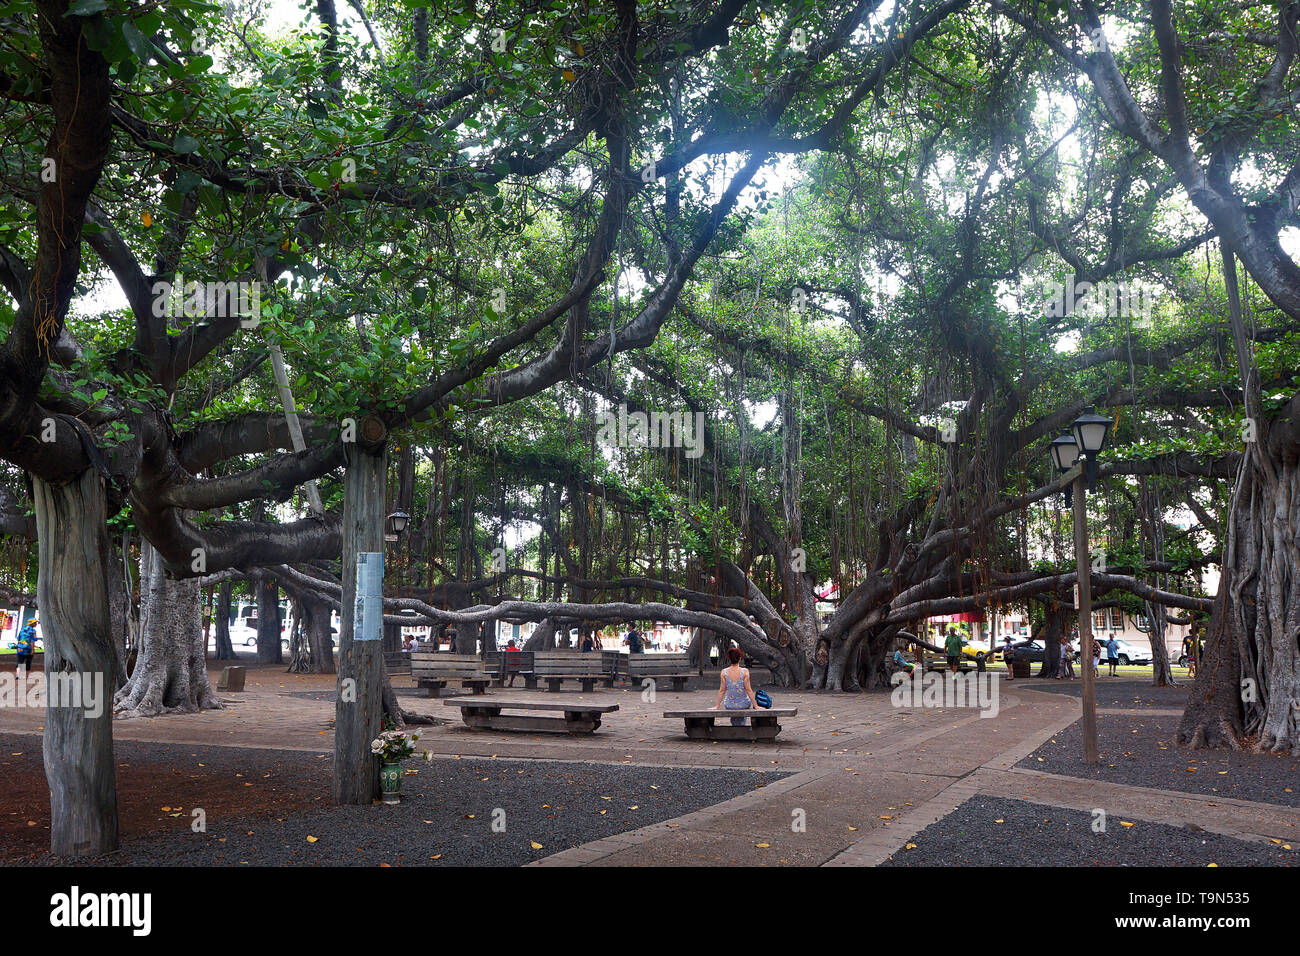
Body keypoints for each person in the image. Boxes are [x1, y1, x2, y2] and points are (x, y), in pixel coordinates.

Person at [710, 645, 758, 725]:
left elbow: (722, 690)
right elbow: (749, 690)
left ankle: (737, 726)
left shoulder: (724, 672)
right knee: (746, 704)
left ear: (729, 659)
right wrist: (756, 705)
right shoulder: (745, 672)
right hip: (743, 704)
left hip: (729, 704)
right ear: (740, 658)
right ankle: (740, 727)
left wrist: (717, 706)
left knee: (736, 718)